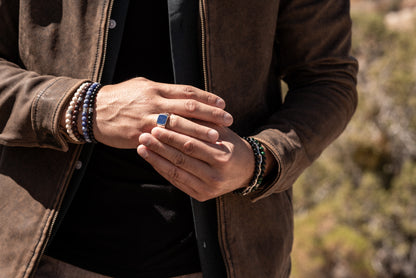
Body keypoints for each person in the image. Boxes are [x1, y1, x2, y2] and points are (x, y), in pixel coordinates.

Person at [0, 0, 358, 277]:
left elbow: (328, 79)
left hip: (228, 264)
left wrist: (257, 160)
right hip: (40, 260)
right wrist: (82, 108)